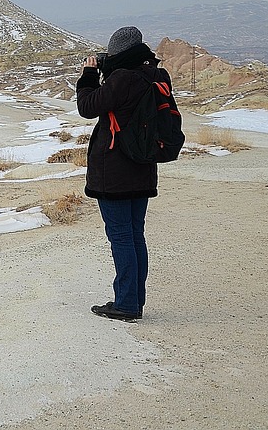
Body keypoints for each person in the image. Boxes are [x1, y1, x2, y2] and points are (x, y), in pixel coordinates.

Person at [75, 25, 175, 322]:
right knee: (134, 235)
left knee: (120, 237)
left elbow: (87, 106)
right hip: (142, 168)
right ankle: (133, 299)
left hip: (116, 172)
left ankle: (126, 304)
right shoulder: (156, 75)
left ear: (119, 53)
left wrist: (90, 75)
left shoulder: (123, 79)